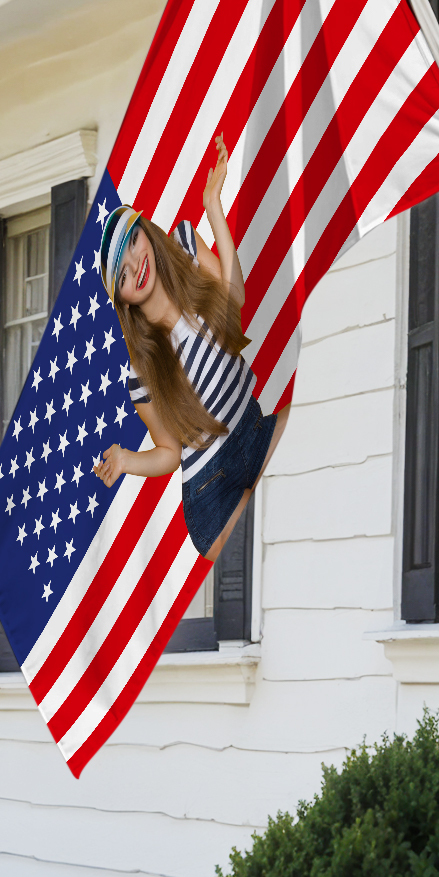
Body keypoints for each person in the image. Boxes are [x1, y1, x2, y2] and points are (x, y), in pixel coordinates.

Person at [93, 137, 289, 560]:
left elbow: (233, 300)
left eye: (132, 244)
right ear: (123, 298)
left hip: (254, 433)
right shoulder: (141, 372)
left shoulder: (184, 244)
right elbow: (169, 452)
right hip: (210, 489)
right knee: (267, 557)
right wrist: (127, 460)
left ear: (146, 233)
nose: (135, 266)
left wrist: (213, 207)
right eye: (122, 275)